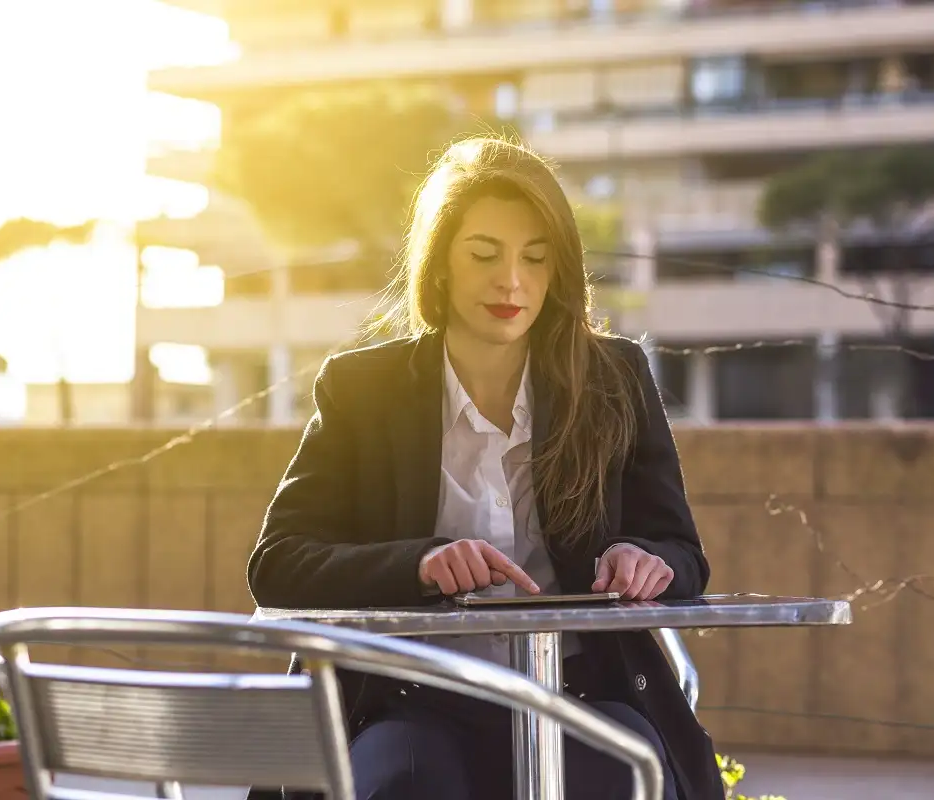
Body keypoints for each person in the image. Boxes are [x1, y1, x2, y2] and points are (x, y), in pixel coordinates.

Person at [245, 136, 723, 800]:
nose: (512, 281)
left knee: (625, 781)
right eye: (483, 255)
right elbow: (278, 564)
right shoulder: (364, 388)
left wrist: (647, 559)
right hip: (412, 701)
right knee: (399, 783)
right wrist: (419, 564)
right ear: (440, 265)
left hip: (582, 699)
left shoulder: (614, 378)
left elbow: (685, 554)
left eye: (536, 257)